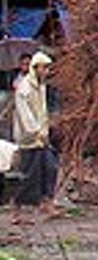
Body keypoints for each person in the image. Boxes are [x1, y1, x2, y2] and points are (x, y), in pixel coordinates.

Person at [11, 51, 61, 224]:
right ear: (36, 68)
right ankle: (17, 210)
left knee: (50, 167)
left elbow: (42, 112)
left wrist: (45, 131)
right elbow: (26, 116)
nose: (47, 71)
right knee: (29, 175)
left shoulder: (41, 86)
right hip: (29, 139)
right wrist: (36, 132)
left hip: (41, 137)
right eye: (44, 68)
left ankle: (47, 203)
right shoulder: (24, 88)